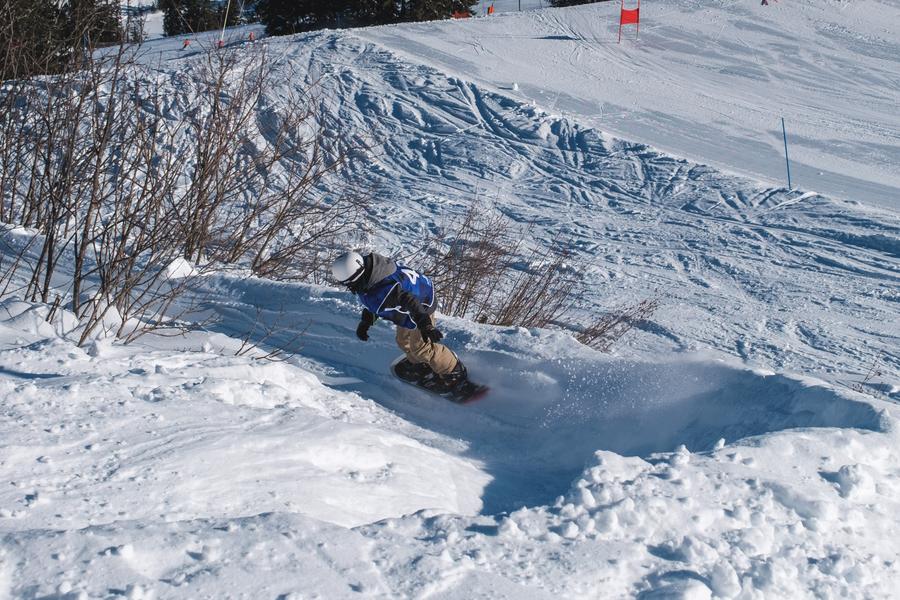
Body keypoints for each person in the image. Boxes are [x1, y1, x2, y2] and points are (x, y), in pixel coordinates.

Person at [331, 250, 468, 392]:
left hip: (422, 304)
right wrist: (366, 322)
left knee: (421, 347)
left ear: (355, 278)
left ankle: (454, 372)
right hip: (410, 307)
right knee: (403, 341)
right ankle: (420, 365)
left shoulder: (386, 288)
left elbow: (409, 300)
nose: (350, 288)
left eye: (350, 284)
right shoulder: (369, 275)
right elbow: (375, 302)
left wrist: (425, 325)